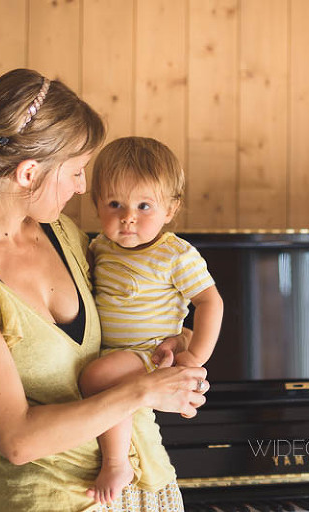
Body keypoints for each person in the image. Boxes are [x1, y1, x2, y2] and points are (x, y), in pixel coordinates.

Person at [0, 69, 209, 512]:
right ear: (29, 173)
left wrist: (175, 338)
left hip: (145, 485)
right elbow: (17, 440)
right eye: (77, 171)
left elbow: (129, 312)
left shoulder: (62, 233)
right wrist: (145, 391)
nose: (83, 187)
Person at [78, 137, 224, 504]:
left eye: (144, 205)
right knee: (101, 371)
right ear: (97, 204)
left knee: (98, 377)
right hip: (115, 350)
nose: (128, 217)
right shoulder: (99, 247)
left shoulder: (176, 255)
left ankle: (117, 464)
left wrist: (195, 357)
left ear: (171, 209)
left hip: (151, 353)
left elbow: (210, 302)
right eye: (115, 204)